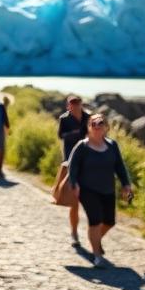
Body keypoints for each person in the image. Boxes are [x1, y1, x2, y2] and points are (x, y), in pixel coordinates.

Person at [67, 113, 133, 268]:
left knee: (109, 222)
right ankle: (97, 256)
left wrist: (126, 184)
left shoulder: (112, 145)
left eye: (100, 123)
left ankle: (95, 241)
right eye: (93, 124)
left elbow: (119, 166)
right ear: (89, 127)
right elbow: (73, 166)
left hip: (108, 189)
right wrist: (74, 183)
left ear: (106, 127)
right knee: (95, 221)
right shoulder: (82, 146)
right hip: (87, 189)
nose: (97, 126)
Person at [53, 95, 90, 245]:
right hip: (71, 163)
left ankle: (93, 235)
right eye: (72, 105)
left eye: (77, 104)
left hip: (89, 162)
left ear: (81, 104)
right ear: (68, 106)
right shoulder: (64, 119)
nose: (74, 107)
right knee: (74, 202)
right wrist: (77, 133)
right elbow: (61, 135)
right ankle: (74, 233)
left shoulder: (89, 117)